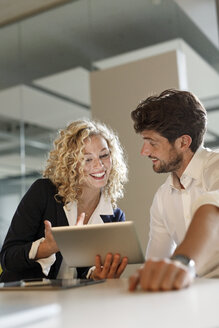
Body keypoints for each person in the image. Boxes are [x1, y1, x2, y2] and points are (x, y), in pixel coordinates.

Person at [0, 119, 128, 282]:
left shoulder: (114, 218)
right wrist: (46, 248)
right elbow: (7, 258)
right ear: (70, 164)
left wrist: (96, 275)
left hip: (70, 302)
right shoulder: (43, 192)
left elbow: (85, 272)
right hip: (22, 299)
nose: (99, 165)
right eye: (87, 159)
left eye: (104, 155)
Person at [129, 89, 219, 292]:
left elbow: (213, 210)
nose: (144, 152)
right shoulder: (162, 198)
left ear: (183, 142)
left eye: (152, 143)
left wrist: (182, 262)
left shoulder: (216, 168)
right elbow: (157, 261)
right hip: (190, 297)